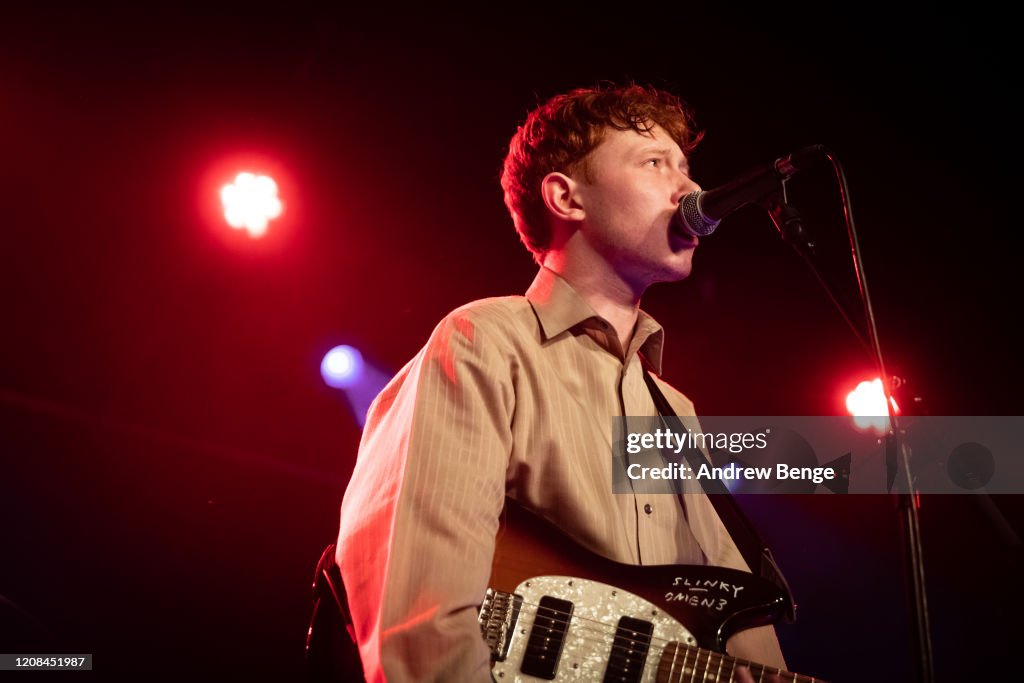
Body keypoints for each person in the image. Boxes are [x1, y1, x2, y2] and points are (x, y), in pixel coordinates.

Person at [336, 83, 788, 682]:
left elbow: (738, 613)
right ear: (565, 197)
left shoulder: (676, 412)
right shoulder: (485, 341)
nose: (690, 190)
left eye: (687, 168)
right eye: (655, 163)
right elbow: (423, 622)